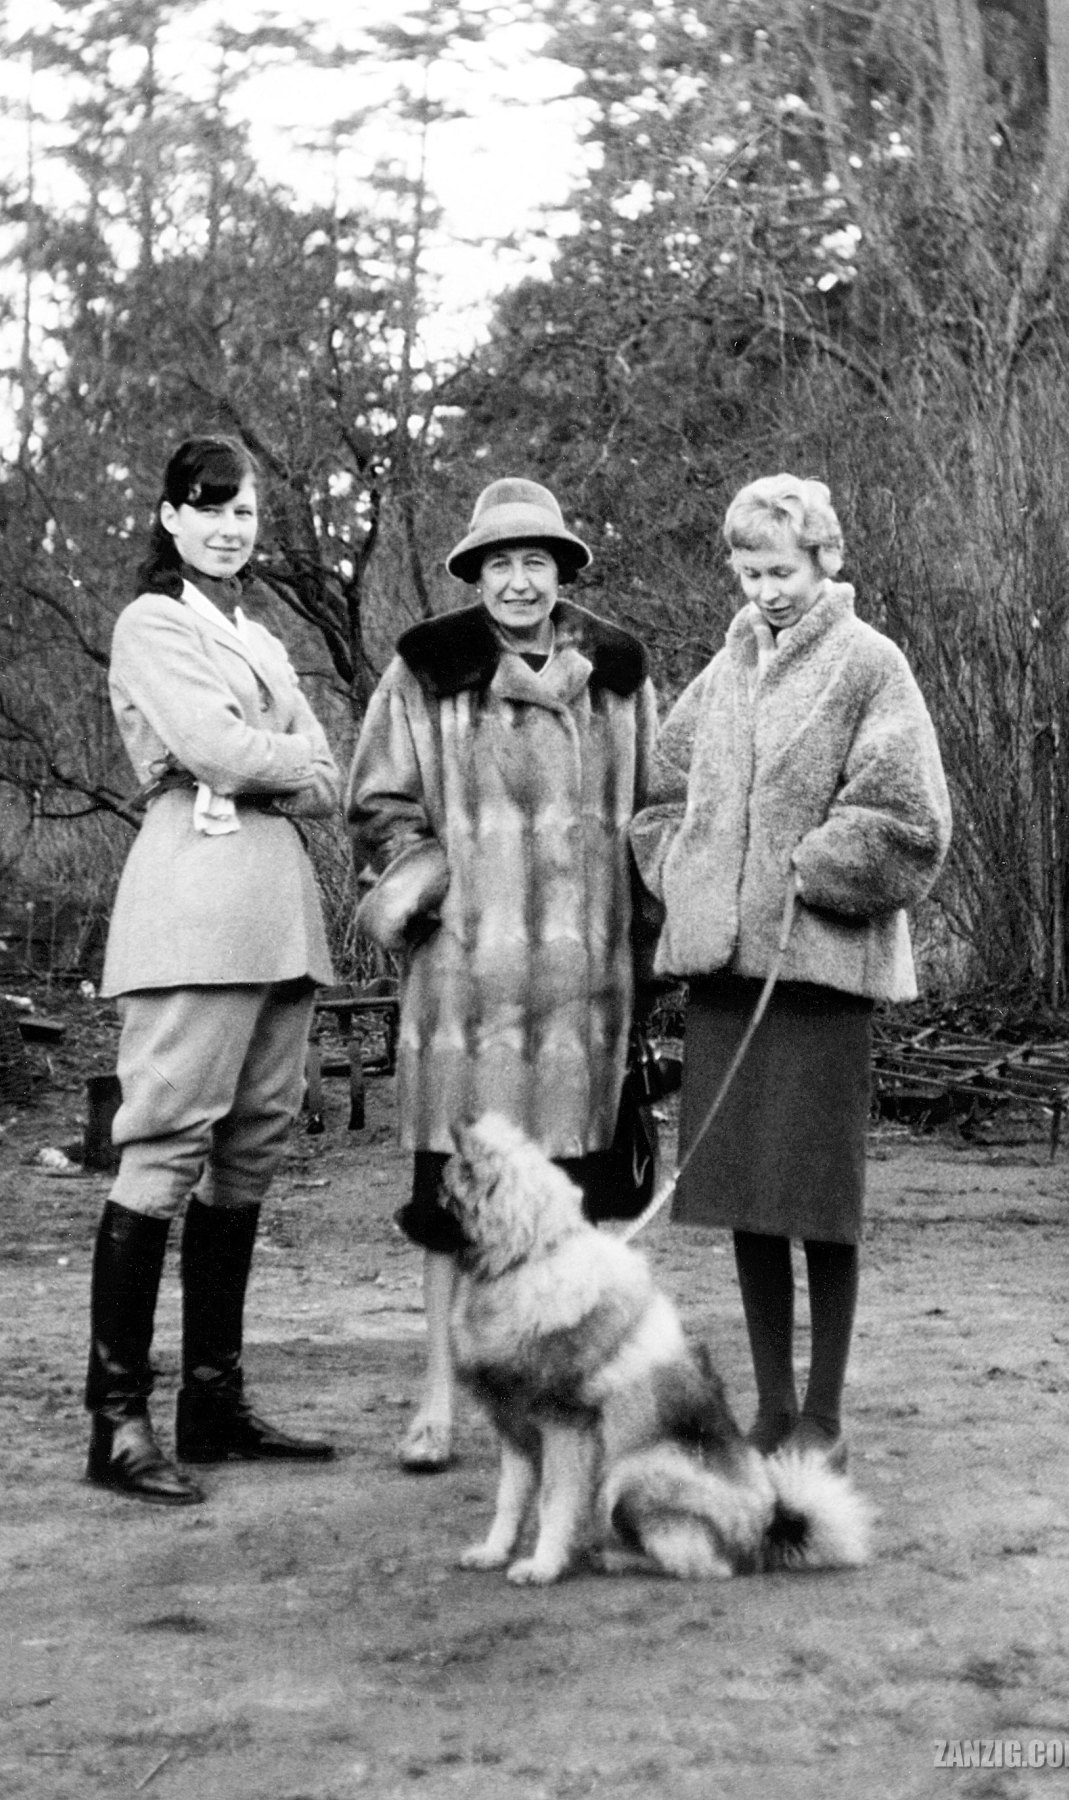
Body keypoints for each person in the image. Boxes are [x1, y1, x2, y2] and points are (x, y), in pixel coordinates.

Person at [631, 473, 951, 1470]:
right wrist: (689, 876)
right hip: (727, 977)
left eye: (783, 569)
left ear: (827, 563)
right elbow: (660, 800)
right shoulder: (723, 669)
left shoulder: (870, 665)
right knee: (747, 1195)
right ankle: (770, 1406)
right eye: (749, 569)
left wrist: (812, 867)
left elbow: (911, 818)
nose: (765, 589)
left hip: (820, 977)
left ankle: (824, 1415)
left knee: (817, 1199)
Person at [347, 477, 657, 1471]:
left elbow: (661, 806)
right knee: (452, 1208)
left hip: (582, 991)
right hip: (463, 992)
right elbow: (376, 802)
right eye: (499, 564)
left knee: (574, 1210)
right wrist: (427, 883)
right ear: (475, 574)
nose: (518, 582)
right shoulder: (424, 676)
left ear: (561, 572)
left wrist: (649, 925)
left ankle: (568, 1395)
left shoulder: (619, 676)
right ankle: (437, 1397)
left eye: (536, 562)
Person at [86, 433, 343, 1506]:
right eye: (212, 506)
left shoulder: (257, 634)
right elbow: (218, 749)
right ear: (171, 515)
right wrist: (270, 758)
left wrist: (269, 761)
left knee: (251, 1149)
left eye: (246, 509)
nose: (233, 525)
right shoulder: (154, 621)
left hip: (277, 908)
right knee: (164, 1147)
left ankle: (212, 1400)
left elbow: (328, 775)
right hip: (192, 902)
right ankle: (116, 1422)